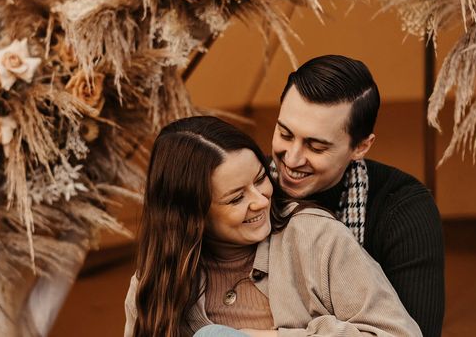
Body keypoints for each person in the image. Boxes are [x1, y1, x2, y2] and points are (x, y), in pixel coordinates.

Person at [124, 115, 421, 337]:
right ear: (191, 217)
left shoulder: (316, 238)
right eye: (236, 198)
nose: (261, 201)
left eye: (260, 179)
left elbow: (399, 334)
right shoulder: (155, 281)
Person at [270, 55, 444, 337]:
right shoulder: (251, 192)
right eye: (285, 134)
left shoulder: (404, 210)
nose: (291, 158)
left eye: (316, 146)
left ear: (361, 147)